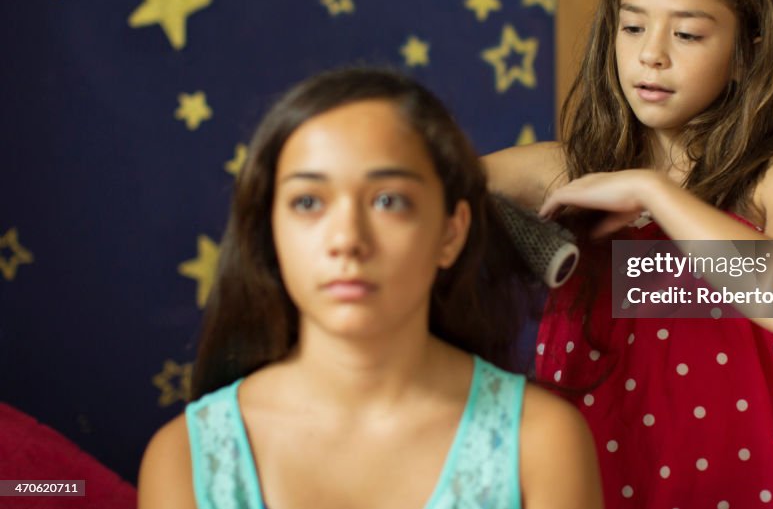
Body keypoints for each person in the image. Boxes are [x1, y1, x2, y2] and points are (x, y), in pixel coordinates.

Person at [485, 0, 773, 507]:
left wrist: (655, 193)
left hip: (737, 468)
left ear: (744, 54)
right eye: (632, 27)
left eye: (686, 33)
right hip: (592, 457)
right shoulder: (567, 168)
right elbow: (430, 184)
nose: (651, 53)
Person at [138, 67, 602, 509]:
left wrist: (658, 194)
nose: (347, 240)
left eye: (388, 201)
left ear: (451, 232)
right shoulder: (185, 457)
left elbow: (670, 291)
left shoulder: (540, 442)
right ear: (269, 233)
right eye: (308, 202)